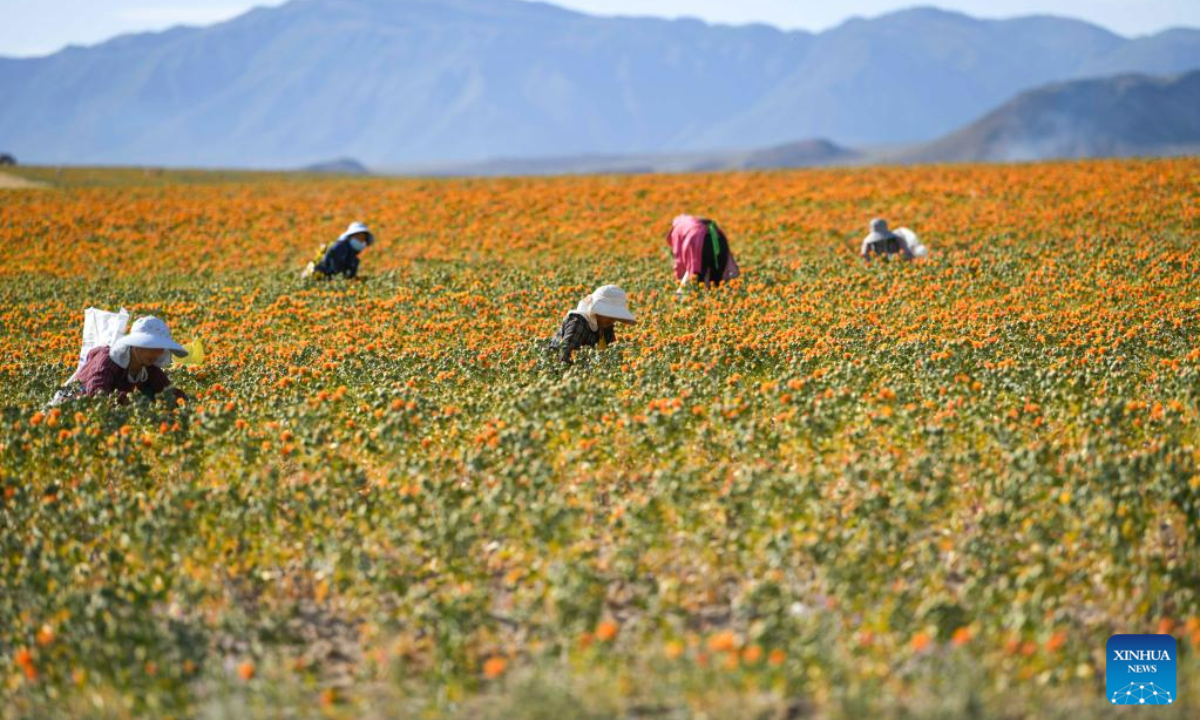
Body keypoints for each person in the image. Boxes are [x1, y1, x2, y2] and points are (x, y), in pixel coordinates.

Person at [50, 316, 189, 405]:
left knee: (155, 395)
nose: (158, 353)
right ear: (137, 345)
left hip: (106, 411)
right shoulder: (108, 358)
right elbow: (96, 392)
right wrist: (130, 401)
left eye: (161, 349)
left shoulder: (148, 366)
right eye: (153, 347)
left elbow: (166, 390)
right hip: (72, 404)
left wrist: (183, 399)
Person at [549, 285, 637, 364]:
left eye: (614, 315)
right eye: (608, 314)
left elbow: (612, 353)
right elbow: (564, 357)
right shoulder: (578, 322)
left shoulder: (606, 324)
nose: (612, 319)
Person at [666, 215, 740, 293]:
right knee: (716, 283)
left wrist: (679, 278)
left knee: (697, 283)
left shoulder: (677, 229)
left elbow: (679, 259)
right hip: (718, 237)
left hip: (698, 240)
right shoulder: (696, 223)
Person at [309, 221, 375, 279]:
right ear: (352, 236)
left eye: (363, 239)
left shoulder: (351, 251)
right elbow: (335, 272)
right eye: (360, 237)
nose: (362, 241)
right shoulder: (340, 247)